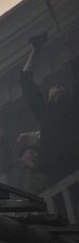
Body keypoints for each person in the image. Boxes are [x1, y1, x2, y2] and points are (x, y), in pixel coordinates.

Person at [20, 32, 79, 183]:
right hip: (56, 172)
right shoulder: (44, 113)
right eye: (53, 87)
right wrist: (36, 49)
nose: (56, 87)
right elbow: (26, 81)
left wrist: (71, 51)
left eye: (60, 86)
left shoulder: (73, 107)